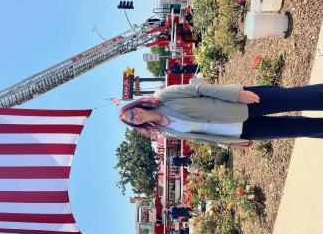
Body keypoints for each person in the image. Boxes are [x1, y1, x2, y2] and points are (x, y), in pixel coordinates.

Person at [119, 83, 323, 149]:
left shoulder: (163, 96)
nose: (135, 116)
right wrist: (229, 144)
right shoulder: (164, 131)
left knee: (297, 98)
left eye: (132, 112)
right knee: (296, 129)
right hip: (240, 132)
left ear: (136, 105)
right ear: (137, 125)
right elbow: (199, 137)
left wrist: (236, 94)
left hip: (239, 104)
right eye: (132, 120)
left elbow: (200, 89)